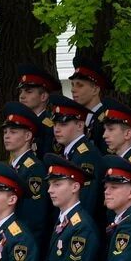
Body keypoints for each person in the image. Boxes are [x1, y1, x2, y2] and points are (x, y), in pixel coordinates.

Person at [0, 102, 50, 245]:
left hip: (22, 243)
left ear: (28, 135)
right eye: (5, 132)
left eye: (13, 132)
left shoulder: (34, 169)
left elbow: (34, 217)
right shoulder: (13, 166)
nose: (7, 136)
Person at [50, 94, 104, 226]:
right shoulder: (70, 152)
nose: (56, 129)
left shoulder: (87, 155)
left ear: (80, 125)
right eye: (55, 123)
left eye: (63, 124)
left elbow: (86, 200)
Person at [17, 64, 61, 158]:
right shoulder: (21, 124)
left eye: (28, 92)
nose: (22, 96)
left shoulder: (50, 127)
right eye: (21, 92)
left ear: (43, 96)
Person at [69, 55, 109, 154]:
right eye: (72, 85)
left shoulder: (106, 120)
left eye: (80, 85)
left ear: (95, 89)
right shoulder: (75, 118)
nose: (73, 90)